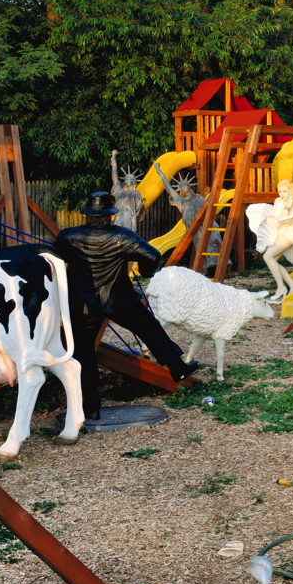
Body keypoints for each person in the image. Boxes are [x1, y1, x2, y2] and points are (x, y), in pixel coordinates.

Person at [53, 190, 199, 419]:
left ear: (87, 215)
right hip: (118, 299)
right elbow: (152, 255)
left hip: (82, 304)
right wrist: (144, 271)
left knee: (83, 353)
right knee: (150, 329)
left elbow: (55, 259)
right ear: (111, 214)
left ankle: (89, 408)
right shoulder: (123, 235)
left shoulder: (68, 236)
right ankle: (177, 368)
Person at [111, 150, 147, 232]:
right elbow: (114, 177)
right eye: (127, 178)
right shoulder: (119, 191)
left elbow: (137, 210)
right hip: (118, 217)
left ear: (134, 181)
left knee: (128, 238)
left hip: (129, 218)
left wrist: (141, 205)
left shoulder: (136, 194)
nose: (128, 180)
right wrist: (114, 161)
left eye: (130, 179)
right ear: (124, 180)